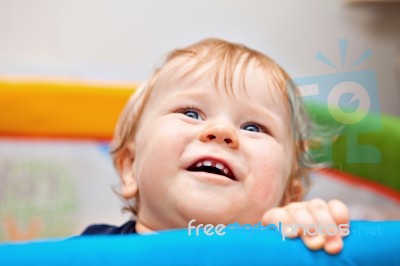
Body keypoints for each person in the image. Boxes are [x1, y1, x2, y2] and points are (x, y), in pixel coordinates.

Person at [82, 38, 349, 254]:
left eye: (253, 128)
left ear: (288, 197)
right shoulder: (90, 251)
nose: (222, 132)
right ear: (131, 165)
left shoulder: (288, 252)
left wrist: (312, 234)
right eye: (191, 113)